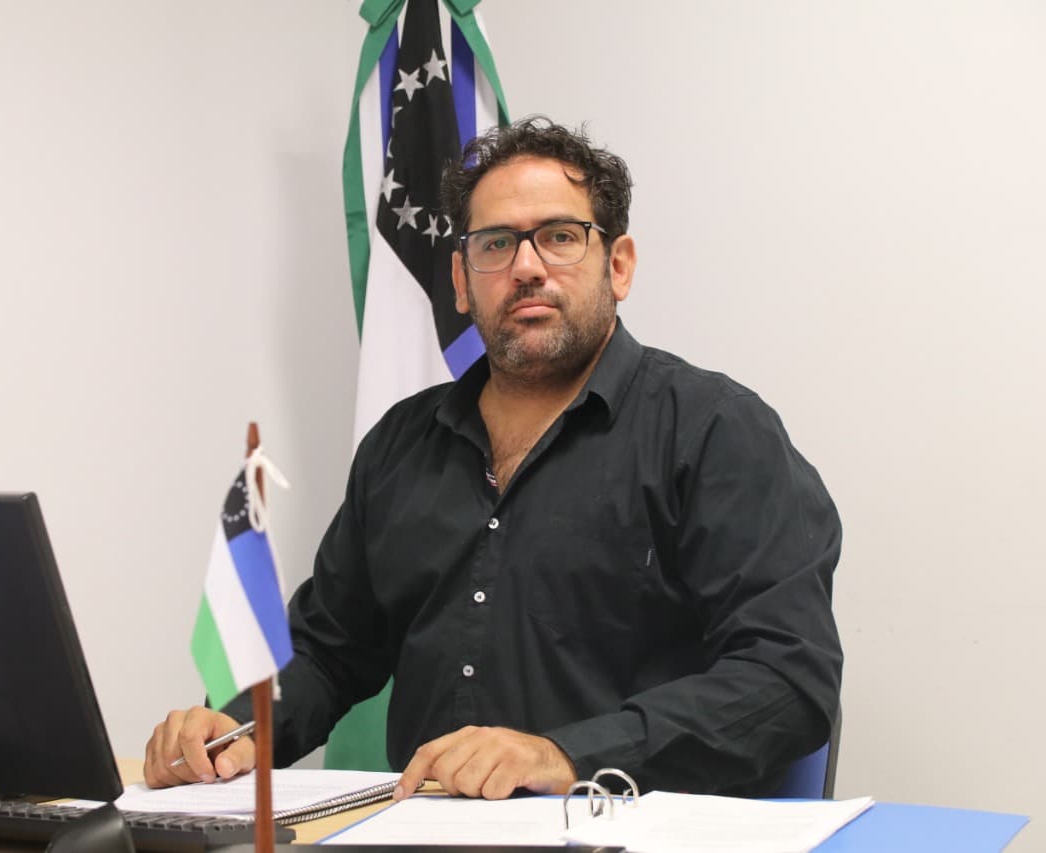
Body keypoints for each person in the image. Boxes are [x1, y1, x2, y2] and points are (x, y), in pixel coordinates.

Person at [144, 117, 842, 801]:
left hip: (626, 830)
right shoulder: (400, 446)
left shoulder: (716, 432)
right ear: (460, 277)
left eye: (561, 237)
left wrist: (566, 755)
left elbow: (788, 680)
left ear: (619, 265)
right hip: (422, 829)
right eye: (496, 244)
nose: (526, 267)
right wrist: (235, 727)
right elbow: (329, 649)